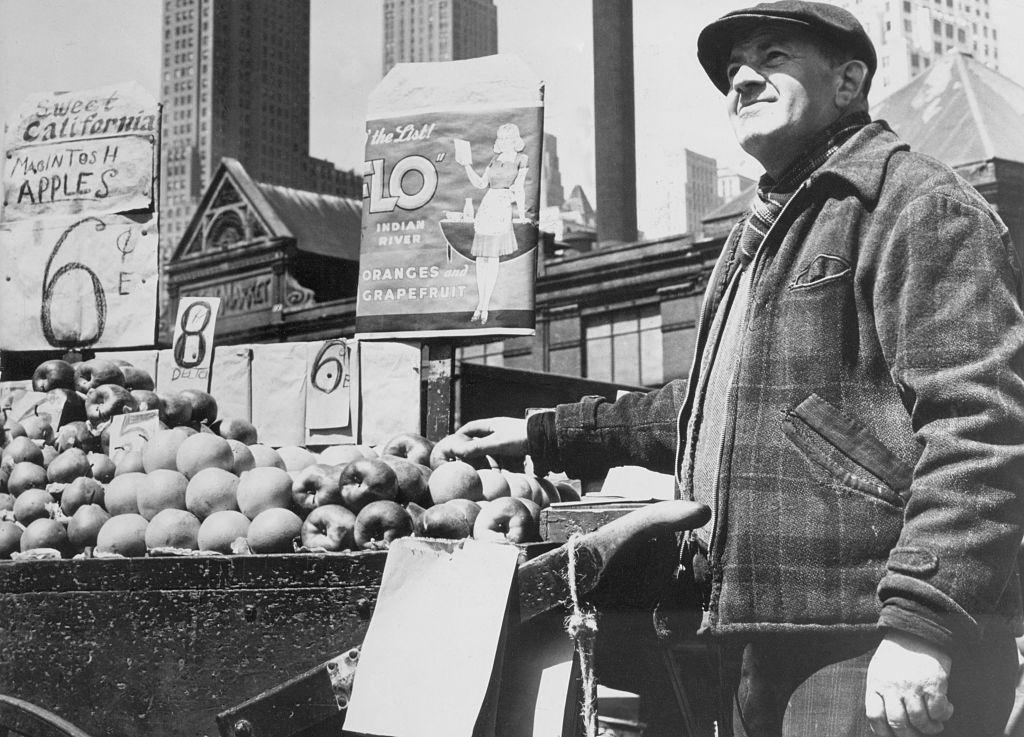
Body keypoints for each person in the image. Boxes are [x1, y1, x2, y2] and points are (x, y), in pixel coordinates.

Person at [446, 2, 1024, 735]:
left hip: (870, 639)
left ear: (849, 81)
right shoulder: (769, 227)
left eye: (771, 56)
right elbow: (715, 410)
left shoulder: (915, 205)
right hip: (765, 637)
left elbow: (982, 426)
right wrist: (543, 431)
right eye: (732, 70)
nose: (742, 79)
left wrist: (923, 623)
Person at [461, 122, 529, 325]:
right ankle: (480, 306)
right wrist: (466, 166)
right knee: (481, 259)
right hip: (487, 205)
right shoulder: (494, 159)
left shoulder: (521, 159)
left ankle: (484, 306)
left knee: (492, 258)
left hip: (502, 206)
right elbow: (481, 184)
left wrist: (522, 213)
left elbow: (519, 188)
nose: (505, 141)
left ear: (515, 139)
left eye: (509, 137)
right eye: (502, 138)